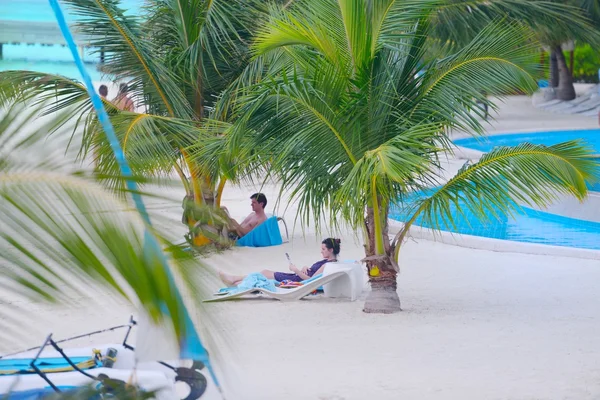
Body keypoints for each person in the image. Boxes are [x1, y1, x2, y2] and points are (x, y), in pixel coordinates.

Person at [218, 238, 341, 286]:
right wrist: (304, 267)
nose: (321, 252)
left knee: (265, 273)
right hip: (298, 276)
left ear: (331, 250)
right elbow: (312, 273)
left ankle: (234, 279)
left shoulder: (327, 265)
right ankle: (237, 282)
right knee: (264, 274)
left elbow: (311, 280)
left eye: (323, 249)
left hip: (297, 280)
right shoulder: (328, 261)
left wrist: (296, 270)